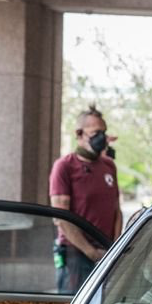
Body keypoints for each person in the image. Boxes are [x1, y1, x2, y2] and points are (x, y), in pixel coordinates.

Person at [49, 105, 122, 294]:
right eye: (96, 132)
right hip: (76, 253)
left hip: (106, 252)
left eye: (104, 132)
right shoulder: (64, 166)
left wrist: (113, 247)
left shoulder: (108, 165)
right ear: (80, 134)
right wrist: (90, 251)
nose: (102, 138)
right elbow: (61, 217)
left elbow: (116, 209)